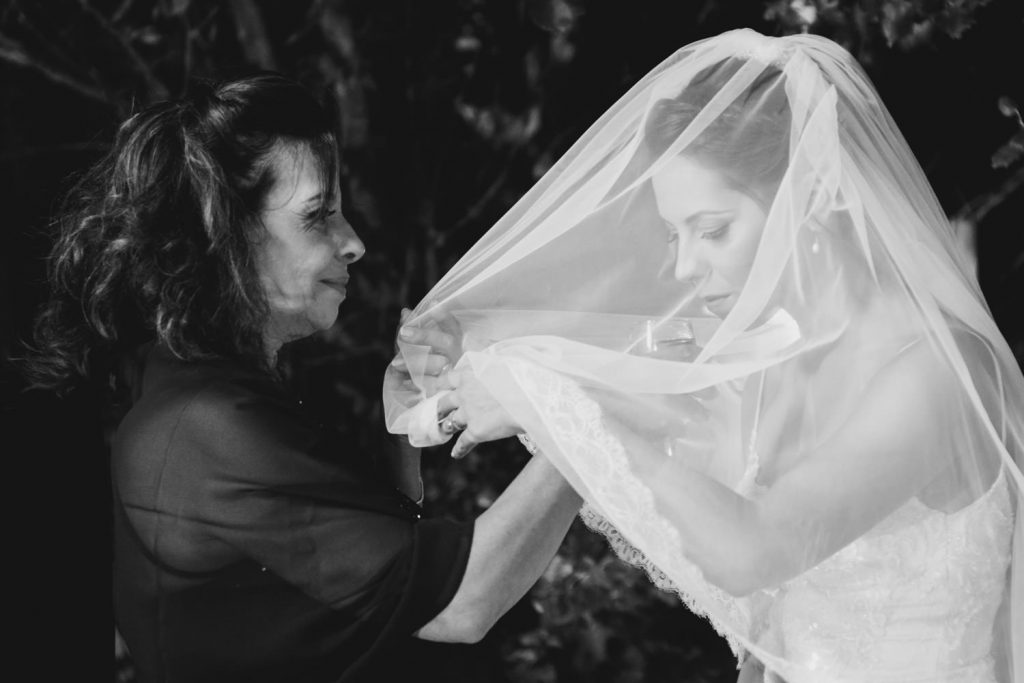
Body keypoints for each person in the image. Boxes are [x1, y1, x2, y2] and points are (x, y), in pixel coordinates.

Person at [386, 29, 1024, 682]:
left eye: (713, 229)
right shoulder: (770, 352)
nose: (686, 267)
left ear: (811, 194)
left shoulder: (935, 373)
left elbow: (756, 549)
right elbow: (615, 349)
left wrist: (547, 402)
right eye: (674, 233)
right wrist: (471, 345)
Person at [24, 73, 582, 683]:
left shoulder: (198, 390)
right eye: (318, 216)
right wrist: (584, 414)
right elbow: (462, 605)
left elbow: (379, 586)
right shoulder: (207, 422)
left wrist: (402, 433)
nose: (354, 243)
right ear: (222, 236)